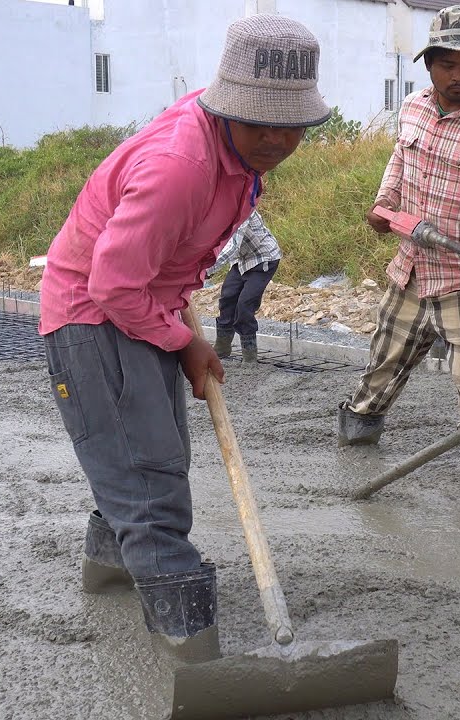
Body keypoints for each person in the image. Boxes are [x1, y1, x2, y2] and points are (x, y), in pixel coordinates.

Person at [38, 14, 329, 659]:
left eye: (292, 127)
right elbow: (112, 286)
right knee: (151, 479)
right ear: (227, 106)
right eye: (261, 124)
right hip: (93, 315)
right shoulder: (181, 167)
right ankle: (191, 645)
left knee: (149, 452)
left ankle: (112, 567)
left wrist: (175, 320)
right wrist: (185, 343)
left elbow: (155, 265)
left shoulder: (236, 149)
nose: (277, 141)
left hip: (144, 302)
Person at [337, 4, 460, 490]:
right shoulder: (413, 109)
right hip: (410, 268)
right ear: (429, 64)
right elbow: (398, 167)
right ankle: (356, 437)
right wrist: (383, 205)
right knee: (382, 366)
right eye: (449, 64)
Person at [212, 207, 282, 364]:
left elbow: (232, 246)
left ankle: (250, 358)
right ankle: (222, 348)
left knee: (245, 305)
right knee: (227, 298)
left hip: (264, 259)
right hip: (242, 260)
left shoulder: (243, 210)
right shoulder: (217, 211)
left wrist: (206, 270)